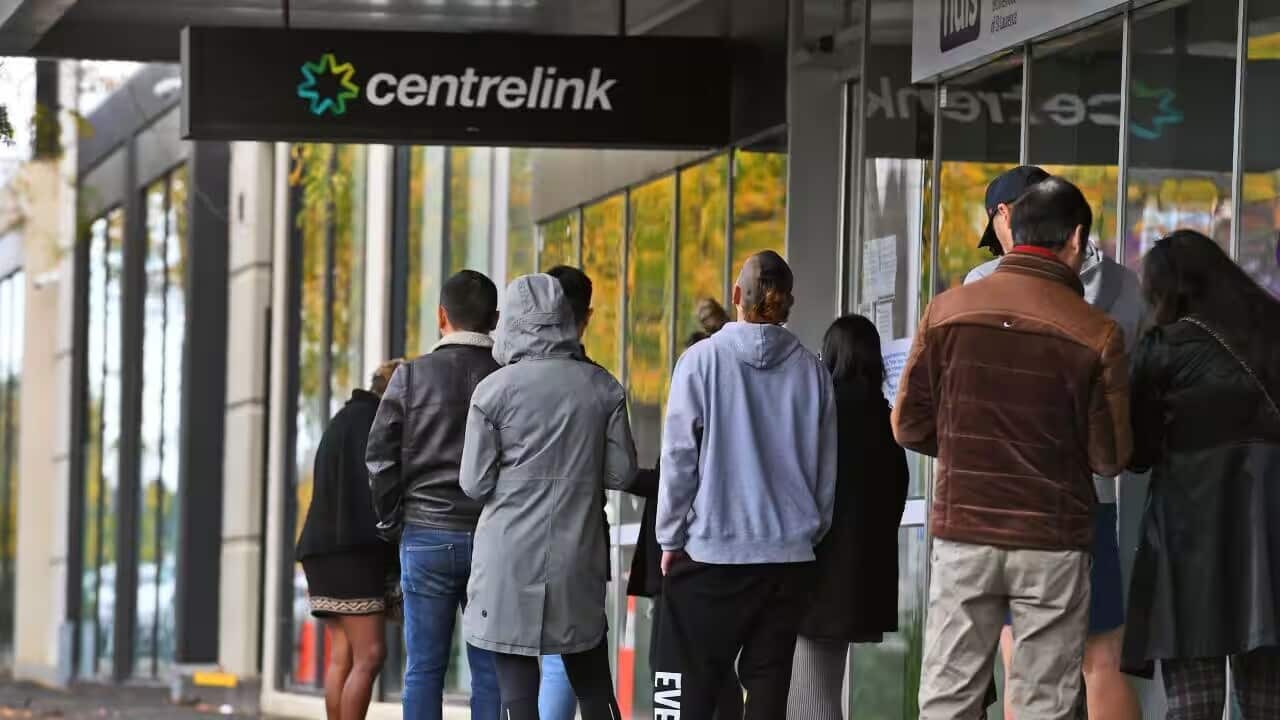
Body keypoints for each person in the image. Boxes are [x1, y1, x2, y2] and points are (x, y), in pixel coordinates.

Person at [894, 176, 1131, 720]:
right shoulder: (1097, 333)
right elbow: (1109, 457)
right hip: (1052, 535)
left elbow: (908, 425)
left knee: (949, 697)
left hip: (964, 531)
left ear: (1010, 229)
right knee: (1044, 700)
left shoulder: (947, 311)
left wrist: (963, 450)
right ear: (1075, 240)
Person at [964, 166, 1144, 720]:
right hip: (1092, 494)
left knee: (1021, 657)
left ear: (1005, 215)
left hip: (1007, 499)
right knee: (1100, 659)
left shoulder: (985, 282)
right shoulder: (1124, 286)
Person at [653, 250, 838, 719]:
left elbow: (679, 460)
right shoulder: (813, 372)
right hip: (787, 560)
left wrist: (669, 537)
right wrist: (807, 533)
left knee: (693, 683)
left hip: (713, 553)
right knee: (769, 685)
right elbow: (824, 471)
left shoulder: (699, 362)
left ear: (737, 295)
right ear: (787, 304)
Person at [460, 273, 638, 720]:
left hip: (507, 558)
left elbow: (474, 483)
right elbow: (622, 472)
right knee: (594, 684)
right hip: (576, 554)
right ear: (564, 318)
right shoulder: (603, 387)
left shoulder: (492, 391)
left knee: (517, 692)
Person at [1123, 230, 1280, 718]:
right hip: (1272, 543)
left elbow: (1139, 453)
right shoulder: (1274, 329)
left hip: (1188, 546)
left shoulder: (1162, 347)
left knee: (1194, 705)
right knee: (1267, 703)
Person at [366, 270, 502, 720]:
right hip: (492, 537)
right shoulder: (507, 378)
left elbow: (380, 457)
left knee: (423, 668)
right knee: (490, 670)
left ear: (441, 315)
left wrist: (391, 521)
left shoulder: (409, 378)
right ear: (495, 319)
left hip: (425, 534)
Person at [787, 315, 909, 720]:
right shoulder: (887, 419)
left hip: (816, 573)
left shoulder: (821, 412)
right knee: (824, 685)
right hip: (863, 577)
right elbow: (896, 496)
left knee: (807, 695)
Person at [627, 300, 744, 720]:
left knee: (671, 667)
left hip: (686, 559)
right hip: (713, 557)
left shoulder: (699, 417)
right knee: (712, 665)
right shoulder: (732, 419)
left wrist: (668, 540)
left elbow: (675, 475)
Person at [297, 360, 402, 720]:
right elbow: (379, 492)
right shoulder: (375, 424)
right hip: (351, 554)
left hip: (320, 553)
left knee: (344, 655)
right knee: (370, 654)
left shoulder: (344, 419)